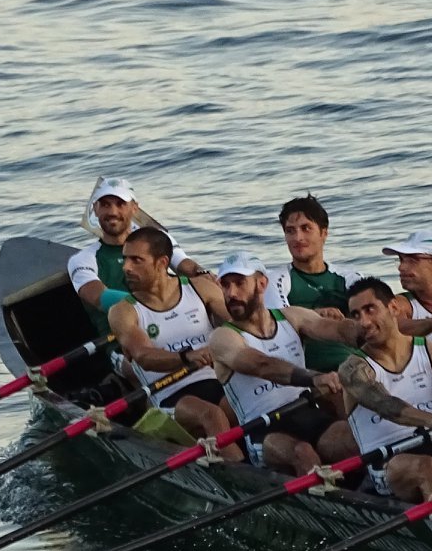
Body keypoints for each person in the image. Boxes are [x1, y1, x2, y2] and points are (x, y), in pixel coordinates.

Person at [207, 252, 367, 474]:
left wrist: (367, 331)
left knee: (353, 439)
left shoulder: (292, 317)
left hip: (306, 413)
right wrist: (314, 377)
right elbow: (262, 365)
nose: (231, 293)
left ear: (262, 284)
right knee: (303, 453)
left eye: (239, 283)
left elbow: (336, 329)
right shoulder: (223, 337)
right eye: (225, 285)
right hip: (263, 430)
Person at [335, 275, 432, 501]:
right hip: (385, 464)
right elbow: (386, 405)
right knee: (425, 467)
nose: (364, 322)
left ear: (393, 307)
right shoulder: (353, 368)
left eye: (370, 310)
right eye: (356, 315)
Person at [107, 227, 235, 446]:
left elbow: (239, 327)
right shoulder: (123, 311)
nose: (126, 268)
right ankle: (234, 475)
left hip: (216, 382)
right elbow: (144, 356)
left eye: (136, 260)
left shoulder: (201, 288)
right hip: (168, 396)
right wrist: (187, 357)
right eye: (125, 259)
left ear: (162, 262)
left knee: (242, 405)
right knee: (211, 415)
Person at [67, 177, 209, 334]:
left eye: (120, 204)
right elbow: (99, 297)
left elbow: (185, 265)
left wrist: (205, 275)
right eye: (105, 204)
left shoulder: (156, 239)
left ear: (134, 208)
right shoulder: (83, 259)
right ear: (95, 209)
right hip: (124, 339)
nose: (113, 212)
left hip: (172, 321)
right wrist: (158, 307)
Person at [272, 193, 364, 373]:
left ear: (324, 233)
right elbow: (277, 328)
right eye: (290, 231)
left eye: (306, 228)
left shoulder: (349, 277)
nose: (297, 238)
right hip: (310, 373)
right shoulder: (278, 279)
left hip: (357, 366)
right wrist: (315, 315)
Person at [383, 229, 432, 338]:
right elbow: (393, 325)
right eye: (401, 260)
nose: (401, 267)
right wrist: (431, 324)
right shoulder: (400, 304)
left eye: (412, 260)